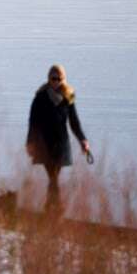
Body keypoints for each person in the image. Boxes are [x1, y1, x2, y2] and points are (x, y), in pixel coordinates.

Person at [27, 64, 91, 214]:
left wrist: (83, 140)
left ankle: (51, 209)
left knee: (54, 177)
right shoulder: (40, 96)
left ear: (63, 79)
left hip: (61, 143)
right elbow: (33, 122)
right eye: (53, 78)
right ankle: (56, 209)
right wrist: (30, 142)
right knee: (53, 176)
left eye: (59, 79)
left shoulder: (68, 97)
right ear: (49, 79)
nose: (56, 81)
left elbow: (74, 122)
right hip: (44, 143)